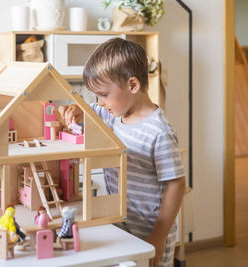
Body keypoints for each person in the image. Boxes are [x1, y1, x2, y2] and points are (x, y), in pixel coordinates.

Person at [58, 38, 186, 267]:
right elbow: (91, 113)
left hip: (150, 231)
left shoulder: (159, 132)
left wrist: (158, 235)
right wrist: (77, 111)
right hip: (121, 225)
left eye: (104, 95)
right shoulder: (114, 114)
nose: (99, 102)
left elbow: (176, 184)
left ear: (133, 85)